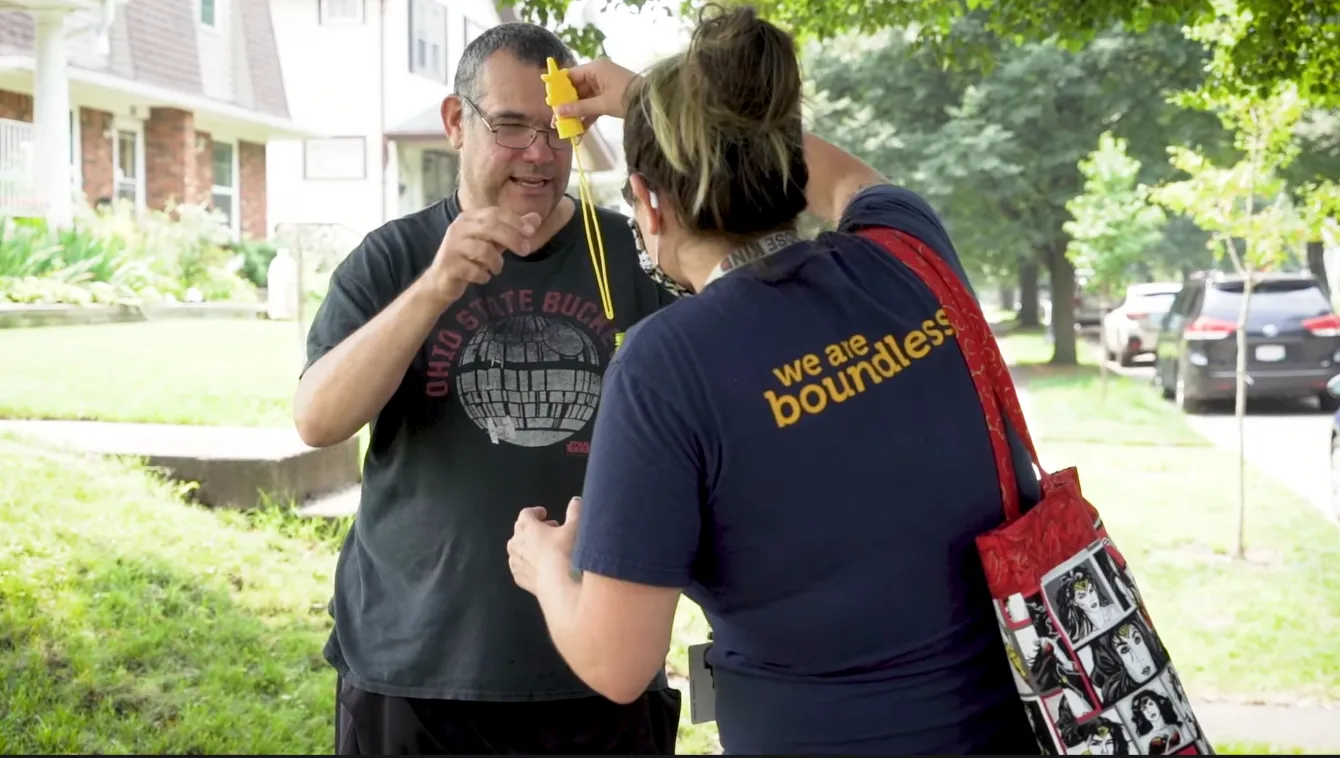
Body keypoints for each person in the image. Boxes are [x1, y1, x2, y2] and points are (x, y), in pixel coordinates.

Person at [505, 5, 1045, 755]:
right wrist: (656, 104)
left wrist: (547, 567)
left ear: (650, 204)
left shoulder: (667, 365)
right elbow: (845, 176)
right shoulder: (906, 253)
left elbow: (616, 662)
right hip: (1020, 729)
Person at [295, 22, 681, 756]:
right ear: (455, 123)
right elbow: (318, 419)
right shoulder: (394, 258)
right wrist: (432, 290)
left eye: (559, 130)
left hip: (598, 661)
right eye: (510, 127)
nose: (539, 154)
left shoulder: (633, 254)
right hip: (416, 665)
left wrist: (646, 101)